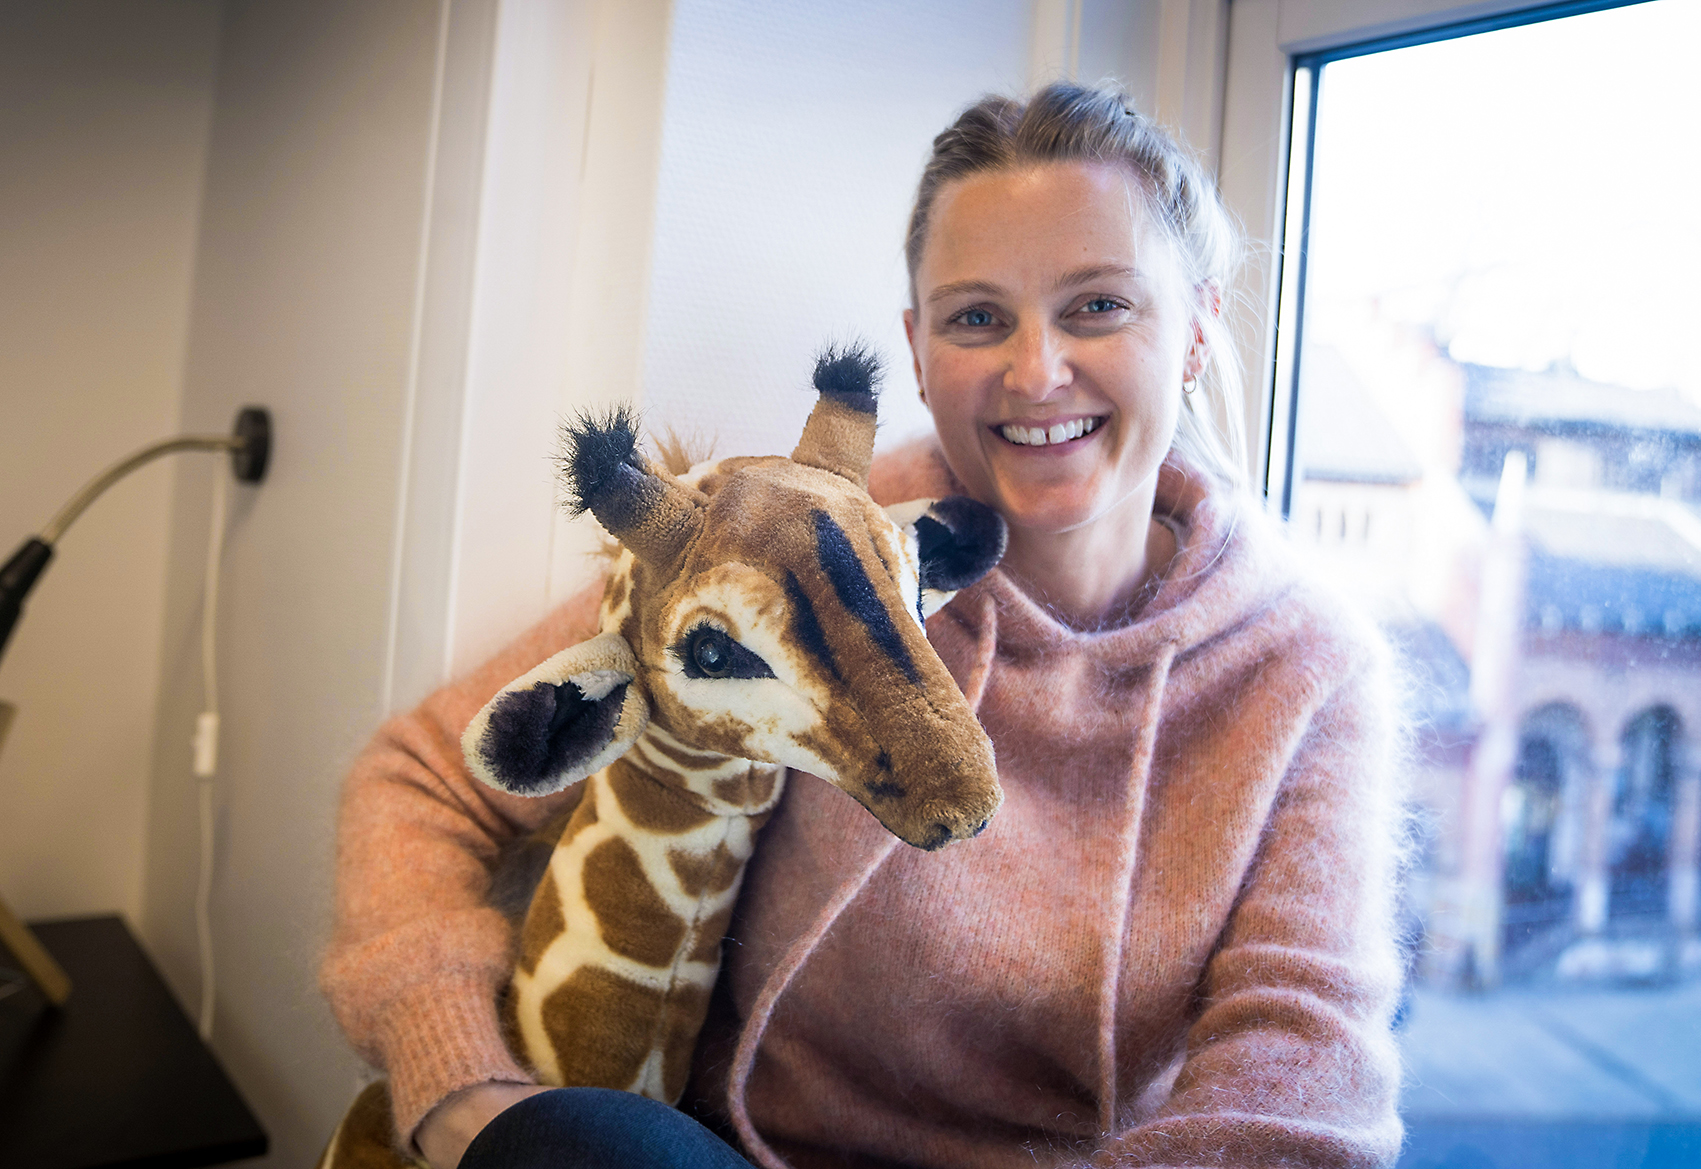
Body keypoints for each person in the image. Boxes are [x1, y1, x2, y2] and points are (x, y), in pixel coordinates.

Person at [321, 83, 1407, 1169]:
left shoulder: (1309, 672)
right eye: (978, 316)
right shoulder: (805, 534)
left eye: (1099, 305)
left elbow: (1302, 1087)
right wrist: (454, 1073)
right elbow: (421, 773)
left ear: (1197, 334)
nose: (1037, 371)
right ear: (919, 353)